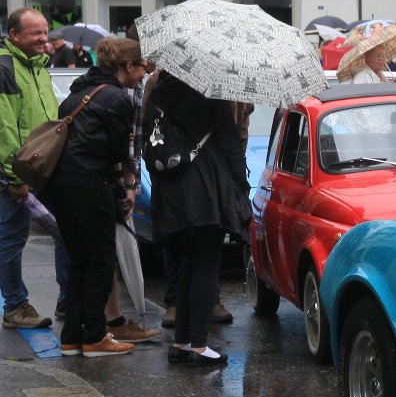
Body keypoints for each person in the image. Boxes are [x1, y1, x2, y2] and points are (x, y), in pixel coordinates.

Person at [41, 38, 146, 358]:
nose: (144, 73)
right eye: (142, 67)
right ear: (129, 66)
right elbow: (117, 152)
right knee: (101, 259)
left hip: (62, 186)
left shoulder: (78, 91)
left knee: (80, 260)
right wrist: (124, 191)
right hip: (90, 185)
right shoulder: (117, 98)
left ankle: (72, 338)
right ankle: (96, 337)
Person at [147, 72, 250, 365]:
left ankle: (181, 342)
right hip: (206, 186)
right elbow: (229, 143)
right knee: (206, 263)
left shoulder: (158, 91)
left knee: (186, 264)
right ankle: (200, 345)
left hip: (171, 187)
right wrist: (241, 186)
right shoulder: (211, 89)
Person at [0, 8, 70, 329]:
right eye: (36, 33)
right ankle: (15, 307)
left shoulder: (38, 65)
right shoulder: (5, 68)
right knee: (13, 238)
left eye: (45, 31)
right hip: (19, 172)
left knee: (64, 231)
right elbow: (4, 128)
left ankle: (68, 300)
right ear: (14, 35)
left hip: (47, 167)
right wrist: (16, 177)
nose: (44, 38)